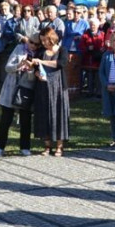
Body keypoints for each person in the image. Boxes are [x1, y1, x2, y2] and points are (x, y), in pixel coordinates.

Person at [0, 33, 37, 157]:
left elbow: (34, 78)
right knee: (5, 119)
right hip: (11, 87)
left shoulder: (38, 55)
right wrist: (19, 65)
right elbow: (7, 67)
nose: (33, 45)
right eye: (31, 42)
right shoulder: (19, 49)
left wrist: (30, 70)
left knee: (25, 120)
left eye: (36, 44)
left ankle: (25, 147)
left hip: (26, 90)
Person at [31, 27, 69, 156]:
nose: (43, 43)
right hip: (43, 87)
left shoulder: (62, 50)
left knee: (59, 115)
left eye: (45, 40)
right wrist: (37, 73)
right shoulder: (41, 51)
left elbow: (61, 63)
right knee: (44, 114)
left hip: (58, 87)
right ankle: (47, 145)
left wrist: (43, 62)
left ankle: (59, 146)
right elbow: (35, 67)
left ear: (51, 39)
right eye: (41, 41)